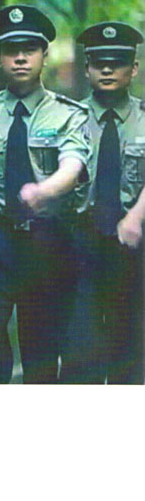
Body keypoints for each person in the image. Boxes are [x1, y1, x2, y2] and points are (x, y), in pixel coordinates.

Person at [0, 4, 90, 383]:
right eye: (10, 50)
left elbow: (73, 164)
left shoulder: (68, 114)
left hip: (46, 243)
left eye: (29, 49)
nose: (20, 58)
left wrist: (44, 190)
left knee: (41, 358)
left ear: (44, 55)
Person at [61, 22, 144, 383]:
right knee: (80, 356)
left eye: (118, 62)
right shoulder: (67, 119)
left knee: (132, 356)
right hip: (81, 246)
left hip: (135, 249)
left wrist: (136, 217)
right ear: (87, 68)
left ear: (134, 68)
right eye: (99, 62)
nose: (107, 69)